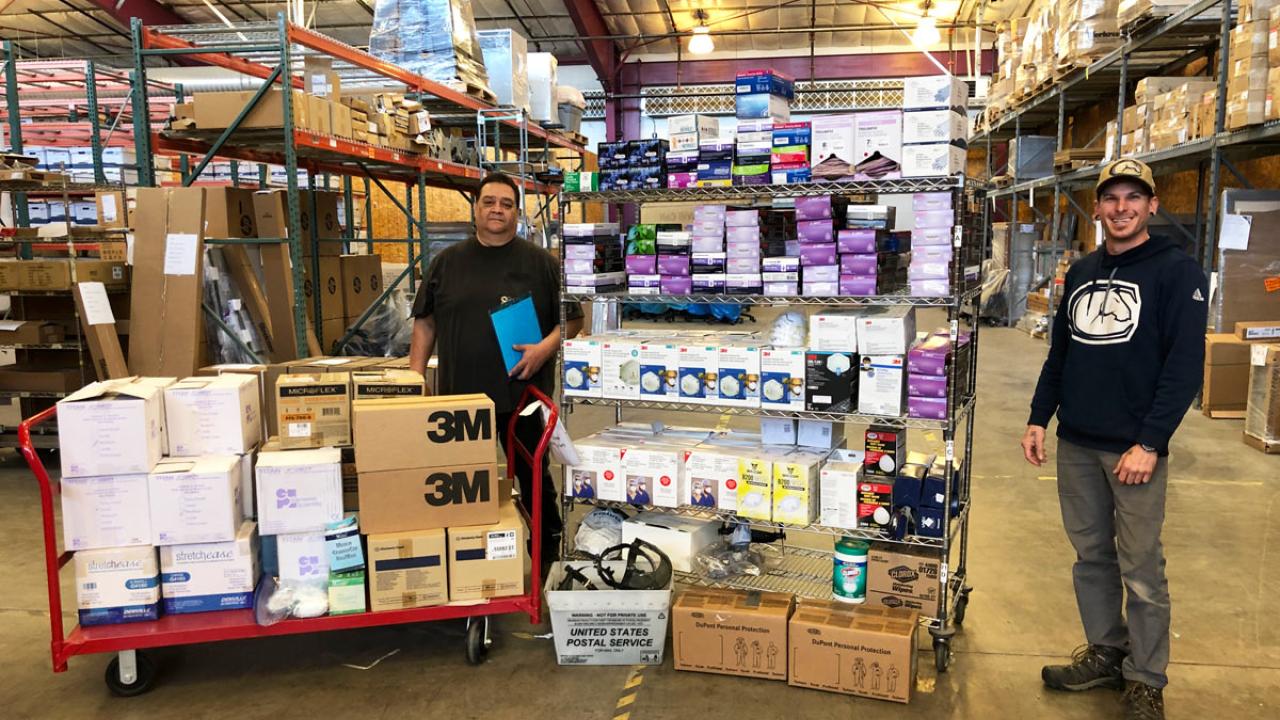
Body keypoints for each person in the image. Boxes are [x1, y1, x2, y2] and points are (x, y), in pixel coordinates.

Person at [1021, 158, 1206, 720]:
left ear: (1152, 205)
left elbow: (1184, 367)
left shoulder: (1177, 272)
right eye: (1111, 198)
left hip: (1133, 450)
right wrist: (1039, 417)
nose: (1121, 208)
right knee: (1092, 557)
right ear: (1098, 208)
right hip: (1078, 442)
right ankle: (1106, 652)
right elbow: (1060, 354)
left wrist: (1150, 443)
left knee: (1141, 567)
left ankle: (1146, 679)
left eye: (1133, 197)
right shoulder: (1081, 272)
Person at [409, 172, 584, 575]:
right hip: (460, 401)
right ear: (476, 208)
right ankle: (465, 563)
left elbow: (573, 320)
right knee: (459, 484)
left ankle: (546, 557)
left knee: (533, 478)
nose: (497, 210)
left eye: (506, 204)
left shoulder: (541, 264)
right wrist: (414, 382)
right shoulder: (447, 263)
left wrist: (544, 348)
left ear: (517, 213)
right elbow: (425, 324)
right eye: (489, 202)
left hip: (522, 397)